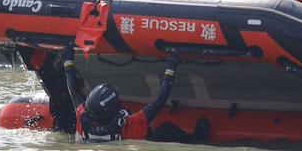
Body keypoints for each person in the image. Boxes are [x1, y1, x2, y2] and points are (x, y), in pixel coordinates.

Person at [60, 45, 207, 143]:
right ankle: (197, 139)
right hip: (139, 142)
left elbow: (74, 93)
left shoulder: (83, 120)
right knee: (165, 129)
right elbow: (159, 102)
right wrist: (171, 67)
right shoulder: (128, 126)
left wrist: (67, 62)